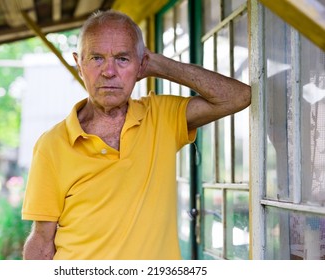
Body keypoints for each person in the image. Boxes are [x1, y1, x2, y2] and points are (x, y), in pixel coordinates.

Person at [21, 10, 251, 260]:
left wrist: (161, 65)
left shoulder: (162, 116)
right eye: (97, 58)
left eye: (122, 59)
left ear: (141, 65)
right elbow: (42, 241)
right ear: (79, 64)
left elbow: (237, 96)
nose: (109, 72)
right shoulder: (53, 144)